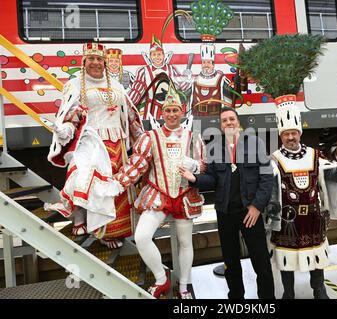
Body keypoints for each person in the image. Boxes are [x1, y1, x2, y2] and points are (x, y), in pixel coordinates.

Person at [46, 42, 144, 249]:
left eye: (99, 59)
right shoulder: (74, 85)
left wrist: (141, 138)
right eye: (91, 59)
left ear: (105, 62)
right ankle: (79, 218)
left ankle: (112, 232)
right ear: (84, 61)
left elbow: (129, 115)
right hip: (89, 142)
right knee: (83, 180)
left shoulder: (117, 86)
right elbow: (70, 115)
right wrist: (67, 128)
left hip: (116, 144)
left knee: (115, 189)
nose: (96, 63)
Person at [113, 85, 205, 299]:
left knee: (185, 243)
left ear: (182, 112)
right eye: (167, 111)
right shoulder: (150, 137)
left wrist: (194, 166)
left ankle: (184, 286)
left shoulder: (193, 137)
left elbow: (203, 165)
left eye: (175, 110)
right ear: (161, 113)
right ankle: (162, 278)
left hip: (184, 196)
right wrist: (117, 182)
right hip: (158, 195)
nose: (172, 115)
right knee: (142, 236)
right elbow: (137, 165)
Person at [179, 106, 275, 299]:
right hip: (225, 213)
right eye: (224, 120)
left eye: (232, 119)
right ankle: (236, 298)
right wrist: (195, 178)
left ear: (238, 122)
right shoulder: (215, 148)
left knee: (261, 261)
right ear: (221, 126)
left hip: (250, 213)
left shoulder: (255, 143)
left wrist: (257, 206)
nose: (229, 123)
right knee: (230, 262)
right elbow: (212, 179)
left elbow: (267, 178)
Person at [266, 97, 337, 299]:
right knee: (285, 255)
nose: (291, 137)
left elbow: (328, 177)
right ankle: (288, 292)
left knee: (316, 253)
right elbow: (269, 189)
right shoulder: (273, 159)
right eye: (287, 134)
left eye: (294, 133)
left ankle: (319, 288)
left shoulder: (315, 155)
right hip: (288, 219)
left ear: (300, 133)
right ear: (281, 136)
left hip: (313, 217)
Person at [128, 35, 190, 119]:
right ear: (150, 56)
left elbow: (183, 86)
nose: (157, 57)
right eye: (154, 54)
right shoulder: (143, 71)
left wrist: (188, 78)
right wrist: (127, 105)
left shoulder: (171, 69)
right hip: (151, 110)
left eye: (159, 54)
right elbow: (136, 91)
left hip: (169, 110)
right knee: (151, 131)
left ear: (164, 55)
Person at [189, 43, 232, 116]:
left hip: (215, 115)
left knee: (214, 128)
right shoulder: (194, 79)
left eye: (208, 62)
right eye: (204, 62)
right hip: (196, 115)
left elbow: (231, 96)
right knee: (196, 128)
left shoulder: (221, 79)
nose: (206, 65)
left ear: (213, 65)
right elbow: (185, 95)